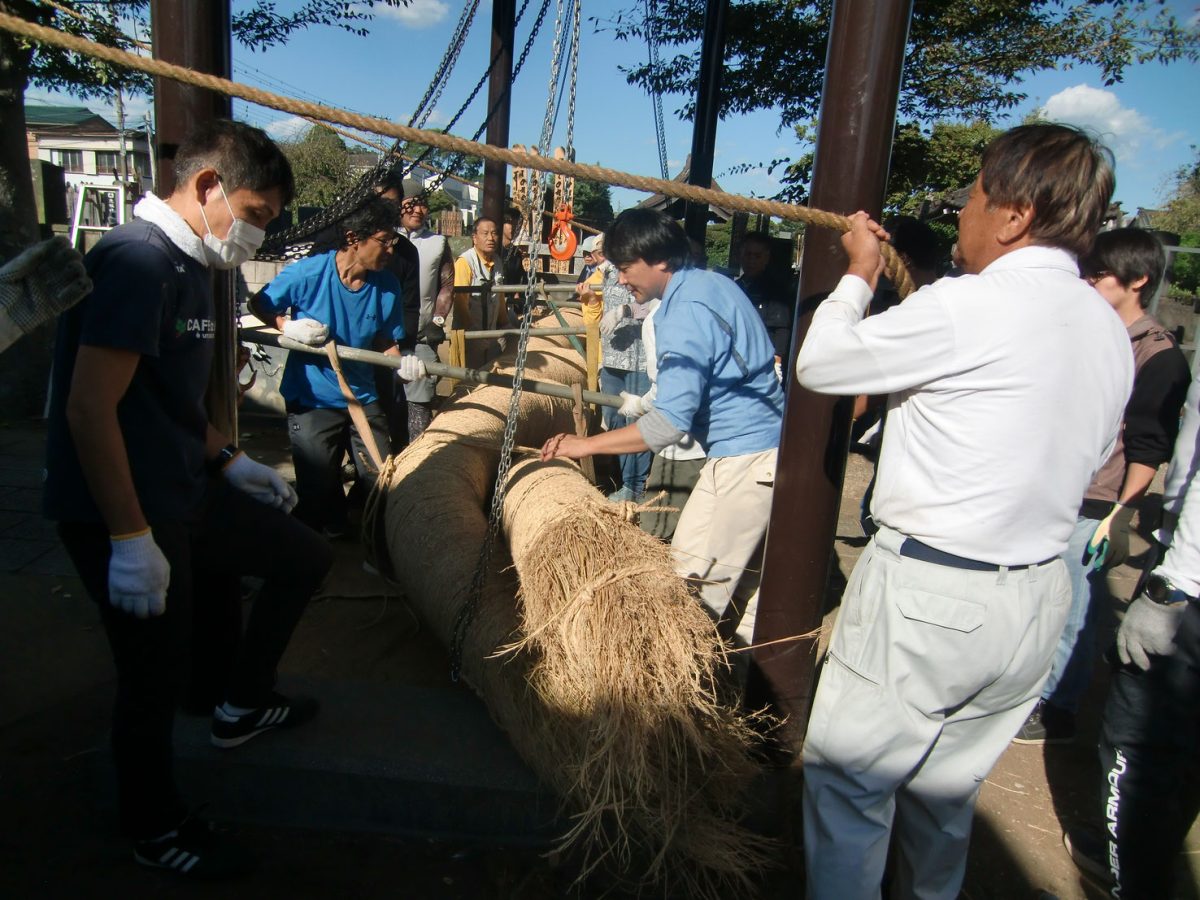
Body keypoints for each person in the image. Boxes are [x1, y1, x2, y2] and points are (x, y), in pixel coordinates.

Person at [794, 123, 1131, 900]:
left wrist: (859, 276)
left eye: (972, 199)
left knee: (851, 793)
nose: (963, 218)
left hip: (934, 594)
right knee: (944, 799)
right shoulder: (1103, 327)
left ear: (1014, 215)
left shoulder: (970, 304)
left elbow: (821, 364)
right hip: (1035, 595)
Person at [43, 119, 334, 879]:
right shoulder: (137, 264)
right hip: (121, 504)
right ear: (207, 187)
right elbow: (88, 408)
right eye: (256, 213)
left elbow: (164, 397)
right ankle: (154, 823)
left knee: (301, 555)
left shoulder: (196, 263)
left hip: (183, 482)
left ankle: (242, 702)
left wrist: (230, 458)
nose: (257, 234)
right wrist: (130, 539)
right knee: (152, 673)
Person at [541, 208, 784, 653]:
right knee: (684, 569)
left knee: (704, 599)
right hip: (733, 453)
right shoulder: (710, 284)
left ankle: (718, 689)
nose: (620, 278)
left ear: (659, 260)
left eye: (626, 267)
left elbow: (670, 423)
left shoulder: (684, 310)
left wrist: (584, 445)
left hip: (749, 458)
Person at [1015, 228, 1189, 745]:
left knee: (1076, 605)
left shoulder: (1159, 356)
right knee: (1039, 597)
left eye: (1099, 274)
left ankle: (1058, 707)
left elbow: (1148, 444)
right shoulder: (1087, 333)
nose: (1088, 282)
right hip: (1055, 485)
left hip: (1099, 497)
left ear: (1138, 280)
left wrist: (1122, 515)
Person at [1063, 363, 1200, 900]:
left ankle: (1130, 882)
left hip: (1188, 591)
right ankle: (1142, 864)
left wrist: (1171, 589)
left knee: (1139, 750)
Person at [251, 196, 427, 537]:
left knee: (381, 476)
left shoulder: (386, 285)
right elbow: (259, 303)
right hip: (312, 396)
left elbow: (383, 339)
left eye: (393, 242)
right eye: (384, 242)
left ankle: (376, 548)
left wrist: (401, 364)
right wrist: (285, 327)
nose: (391, 251)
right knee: (317, 482)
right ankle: (315, 548)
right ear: (353, 238)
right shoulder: (309, 273)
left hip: (362, 394)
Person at [308, 167, 420, 453]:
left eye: (392, 206)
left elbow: (409, 307)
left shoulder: (403, 252)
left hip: (380, 357)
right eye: (377, 204)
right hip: (334, 359)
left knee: (382, 444)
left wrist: (401, 355)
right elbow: (309, 290)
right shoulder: (332, 241)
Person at [587, 233, 653, 502]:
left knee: (635, 419)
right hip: (613, 358)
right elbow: (594, 297)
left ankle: (634, 486)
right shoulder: (607, 271)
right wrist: (591, 298)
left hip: (639, 360)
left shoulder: (643, 267)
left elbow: (656, 304)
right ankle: (620, 476)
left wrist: (626, 310)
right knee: (613, 418)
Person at [396, 179, 454, 442]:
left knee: (420, 400)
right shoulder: (382, 237)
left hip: (420, 336)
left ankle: (416, 456)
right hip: (382, 336)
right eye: (411, 204)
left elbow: (446, 285)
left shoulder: (438, 242)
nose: (417, 211)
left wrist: (438, 321)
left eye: (422, 205)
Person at [735, 231, 795, 359]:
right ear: (740, 256)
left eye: (757, 256)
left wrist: (777, 361)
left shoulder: (776, 290)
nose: (751, 260)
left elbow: (781, 330)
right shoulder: (733, 287)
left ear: (766, 258)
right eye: (748, 254)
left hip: (762, 357)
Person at [453, 216, 503, 367]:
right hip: (470, 336)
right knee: (469, 383)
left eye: (494, 233)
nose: (491, 238)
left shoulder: (498, 261)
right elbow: (460, 303)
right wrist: (475, 336)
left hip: (491, 334)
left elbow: (500, 297)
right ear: (474, 238)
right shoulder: (465, 262)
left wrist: (505, 325)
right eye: (485, 233)